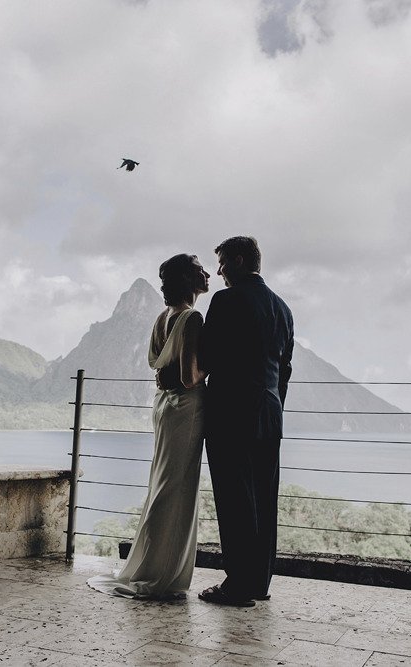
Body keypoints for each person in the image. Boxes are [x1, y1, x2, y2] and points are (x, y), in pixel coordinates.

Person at [87, 253, 211, 599]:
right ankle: (161, 573)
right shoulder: (191, 317)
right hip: (186, 408)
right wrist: (212, 366)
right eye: (201, 270)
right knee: (177, 488)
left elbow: (162, 370)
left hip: (163, 407)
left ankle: (153, 564)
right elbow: (189, 377)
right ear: (190, 278)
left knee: (162, 484)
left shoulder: (162, 318)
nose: (208, 275)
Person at [197, 236, 294, 607]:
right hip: (270, 412)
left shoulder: (226, 300)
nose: (219, 271)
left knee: (235, 498)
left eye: (221, 263)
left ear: (238, 261)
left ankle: (237, 585)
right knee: (264, 499)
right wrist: (273, 406)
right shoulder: (283, 308)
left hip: (231, 411)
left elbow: (208, 355)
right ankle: (259, 582)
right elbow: (284, 370)